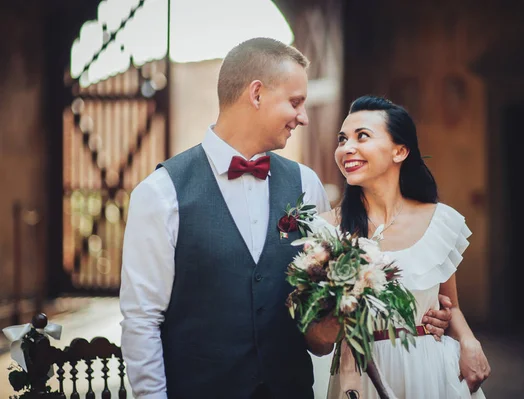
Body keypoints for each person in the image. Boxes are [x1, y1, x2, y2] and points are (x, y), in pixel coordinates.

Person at [119, 38, 452, 399]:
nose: (304, 117)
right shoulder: (160, 193)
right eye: (295, 102)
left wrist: (425, 315)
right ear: (257, 94)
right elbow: (142, 321)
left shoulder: (306, 185)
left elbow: (335, 304)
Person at [307, 95, 491, 398]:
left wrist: (470, 343)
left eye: (361, 136)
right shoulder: (325, 231)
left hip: (433, 370)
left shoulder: (438, 220)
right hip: (362, 376)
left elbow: (450, 305)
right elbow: (316, 339)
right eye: (342, 139)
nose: (346, 148)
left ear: (400, 151)